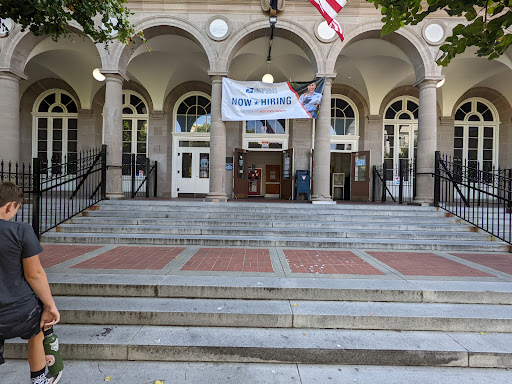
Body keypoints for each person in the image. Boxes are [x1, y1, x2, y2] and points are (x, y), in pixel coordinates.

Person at [0, 182, 61, 384]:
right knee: (37, 330)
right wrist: (50, 305)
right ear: (10, 206)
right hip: (18, 309)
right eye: (16, 208)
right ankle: (39, 379)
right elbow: (34, 274)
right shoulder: (20, 230)